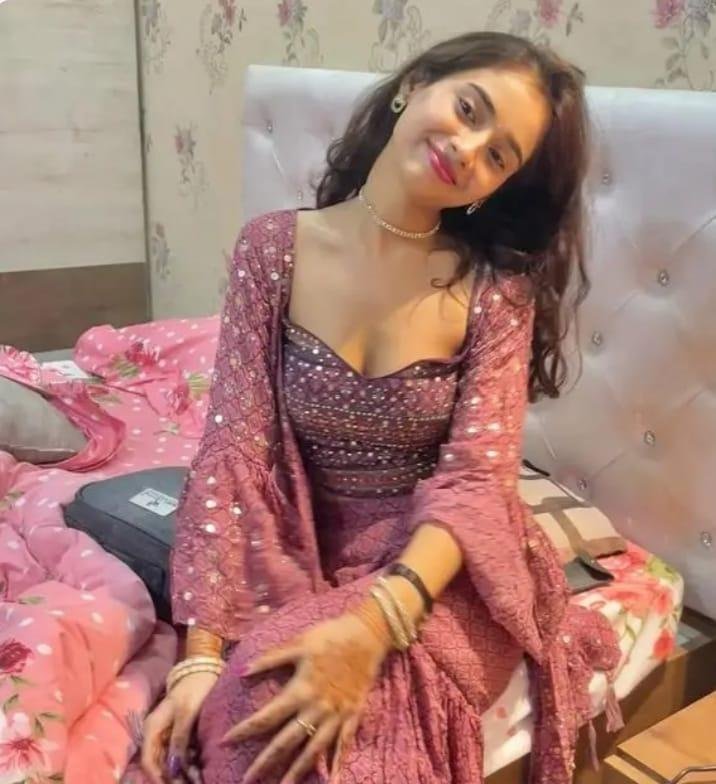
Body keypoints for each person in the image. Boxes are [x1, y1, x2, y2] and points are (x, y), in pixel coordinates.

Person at [141, 31, 621, 784]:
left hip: (442, 570)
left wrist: (371, 629)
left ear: (498, 187)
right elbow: (235, 454)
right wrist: (197, 659)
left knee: (275, 729)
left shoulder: (495, 293)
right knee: (226, 722)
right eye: (469, 109)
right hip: (303, 544)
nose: (468, 148)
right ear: (413, 86)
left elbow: (476, 484)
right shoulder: (273, 251)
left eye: (499, 155)